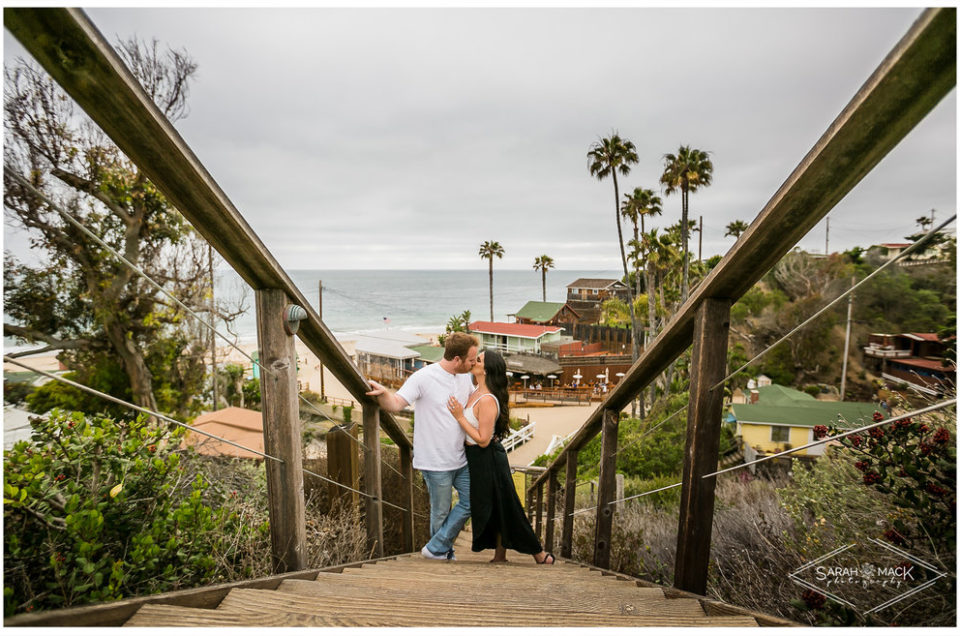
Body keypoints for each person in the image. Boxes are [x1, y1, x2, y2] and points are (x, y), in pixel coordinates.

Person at [365, 332, 478, 560]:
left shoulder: (465, 377)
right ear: (457, 359)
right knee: (440, 512)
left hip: (461, 458)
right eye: (471, 360)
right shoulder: (424, 377)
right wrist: (384, 393)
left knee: (473, 500)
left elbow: (475, 404)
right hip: (435, 461)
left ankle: (435, 547)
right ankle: (443, 553)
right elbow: (397, 404)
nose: (474, 364)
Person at [446, 349, 555, 565]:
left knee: (507, 506)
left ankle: (539, 554)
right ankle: (500, 555)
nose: (474, 361)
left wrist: (459, 417)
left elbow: (483, 439)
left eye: (478, 360)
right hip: (477, 458)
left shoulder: (487, 400)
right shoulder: (475, 391)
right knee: (496, 506)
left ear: (486, 369)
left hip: (488, 458)